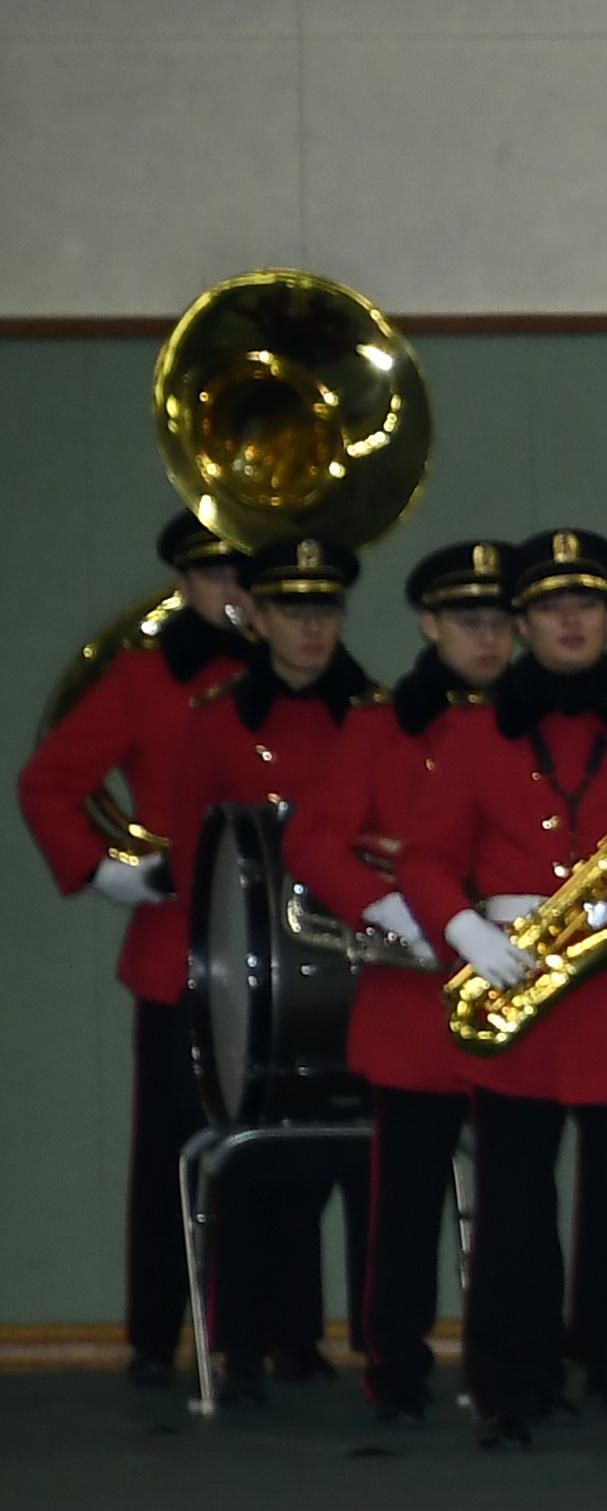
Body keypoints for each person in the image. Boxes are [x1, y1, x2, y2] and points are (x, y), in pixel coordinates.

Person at [394, 528, 607, 1450]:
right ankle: (511, 1386)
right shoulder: (468, 734)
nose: (571, 623)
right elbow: (426, 858)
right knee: (510, 1205)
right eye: (550, 608)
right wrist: (463, 934)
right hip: (516, 978)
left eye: (586, 605)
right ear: (524, 622)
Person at [283, 538, 519, 1424]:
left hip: (517, 988)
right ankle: (396, 1364)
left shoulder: (539, 722)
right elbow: (313, 839)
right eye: (469, 621)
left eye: (501, 622)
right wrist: (383, 904)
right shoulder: (382, 725)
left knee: (516, 1198)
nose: (487, 639)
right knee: (407, 1199)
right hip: (414, 994)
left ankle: (514, 1361)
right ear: (429, 623)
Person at [18, 513, 251, 1386]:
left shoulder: (289, 682)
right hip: (177, 946)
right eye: (215, 578)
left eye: (243, 580)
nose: (232, 594)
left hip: (272, 947)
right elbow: (48, 781)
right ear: (185, 585)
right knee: (170, 1152)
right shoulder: (146, 680)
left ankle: (260, 1334)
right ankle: (157, 1335)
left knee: (265, 1154)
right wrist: (105, 870)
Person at [177, 534, 381, 1397]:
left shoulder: (373, 715)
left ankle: (345, 1337)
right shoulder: (220, 718)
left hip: (352, 956)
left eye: (325, 611)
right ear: (257, 617)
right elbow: (200, 842)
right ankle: (245, 1336)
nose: (311, 630)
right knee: (258, 1151)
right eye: (293, 613)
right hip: (256, 961)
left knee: (352, 1151)